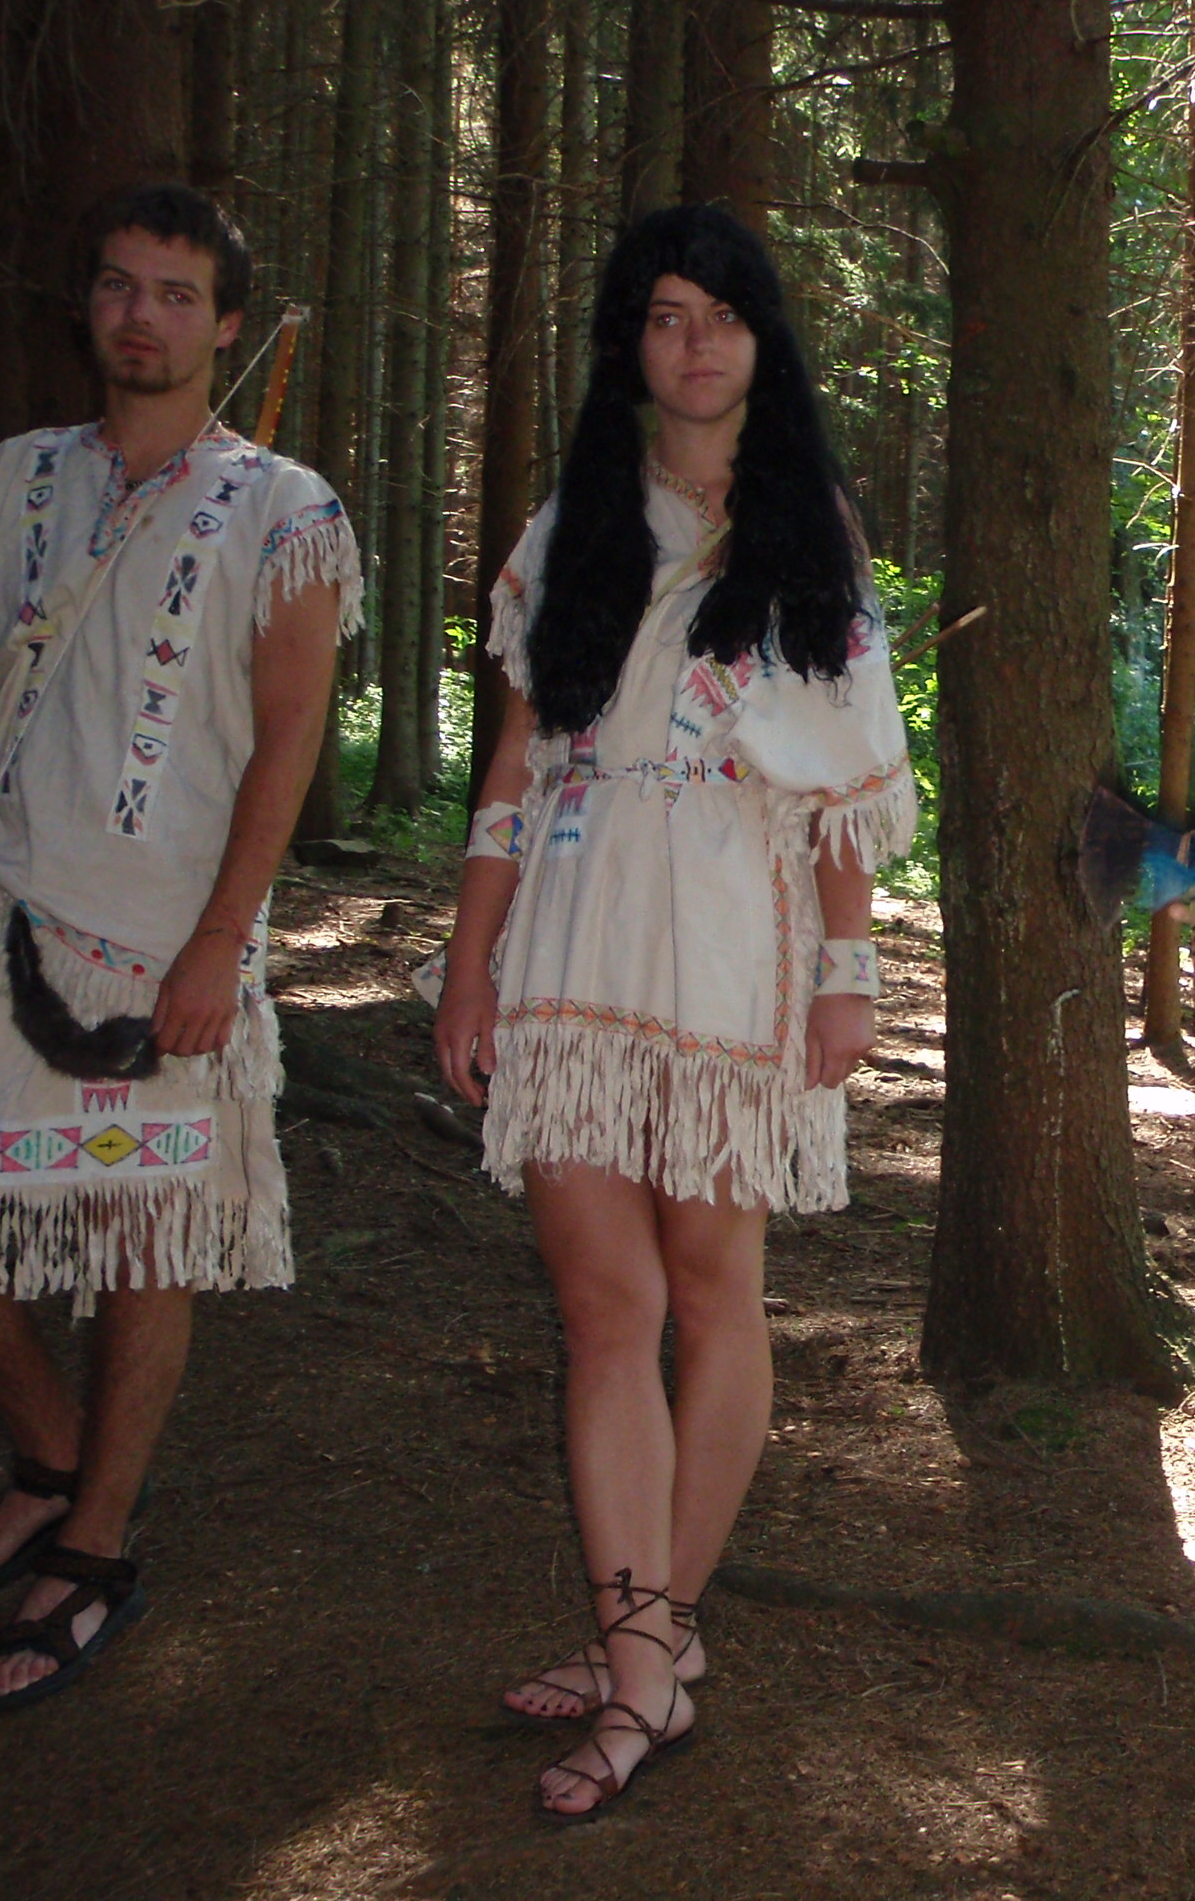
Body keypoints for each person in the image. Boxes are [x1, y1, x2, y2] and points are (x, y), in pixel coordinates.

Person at [0, 184, 357, 1712]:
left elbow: (289, 737)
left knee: (139, 1244)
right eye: (118, 286)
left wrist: (221, 941)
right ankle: (51, 1455)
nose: (141, 317)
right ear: (87, 307)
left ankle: (97, 1544)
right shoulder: (18, 482)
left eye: (176, 294)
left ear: (225, 325)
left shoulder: (286, 512)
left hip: (166, 937)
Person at [434, 204, 915, 1822]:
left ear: (763, 339)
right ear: (627, 345)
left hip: (733, 943)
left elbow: (841, 785)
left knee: (714, 1295)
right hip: (575, 941)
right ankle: (646, 1659)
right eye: (663, 315)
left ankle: (647, 1641)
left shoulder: (808, 532)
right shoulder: (577, 520)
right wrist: (469, 961)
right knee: (603, 1309)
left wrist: (847, 974)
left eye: (722, 314)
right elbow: (515, 767)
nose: (694, 343)